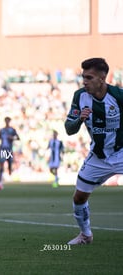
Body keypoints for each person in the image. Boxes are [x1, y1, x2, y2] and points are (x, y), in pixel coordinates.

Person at [65, 57, 123, 245]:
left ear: (102, 77)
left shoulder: (118, 96)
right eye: (83, 77)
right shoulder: (80, 96)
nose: (85, 81)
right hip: (98, 156)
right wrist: (79, 120)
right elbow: (69, 128)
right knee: (79, 197)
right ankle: (85, 235)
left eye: (89, 77)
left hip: (121, 152)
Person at [0, 116, 20, 190]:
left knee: (9, 163)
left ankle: (9, 171)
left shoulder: (12, 130)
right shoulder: (2, 130)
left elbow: (18, 138)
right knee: (2, 163)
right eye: (6, 121)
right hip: (3, 149)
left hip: (9, 149)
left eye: (8, 121)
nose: (7, 122)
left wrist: (12, 138)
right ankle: (0, 181)